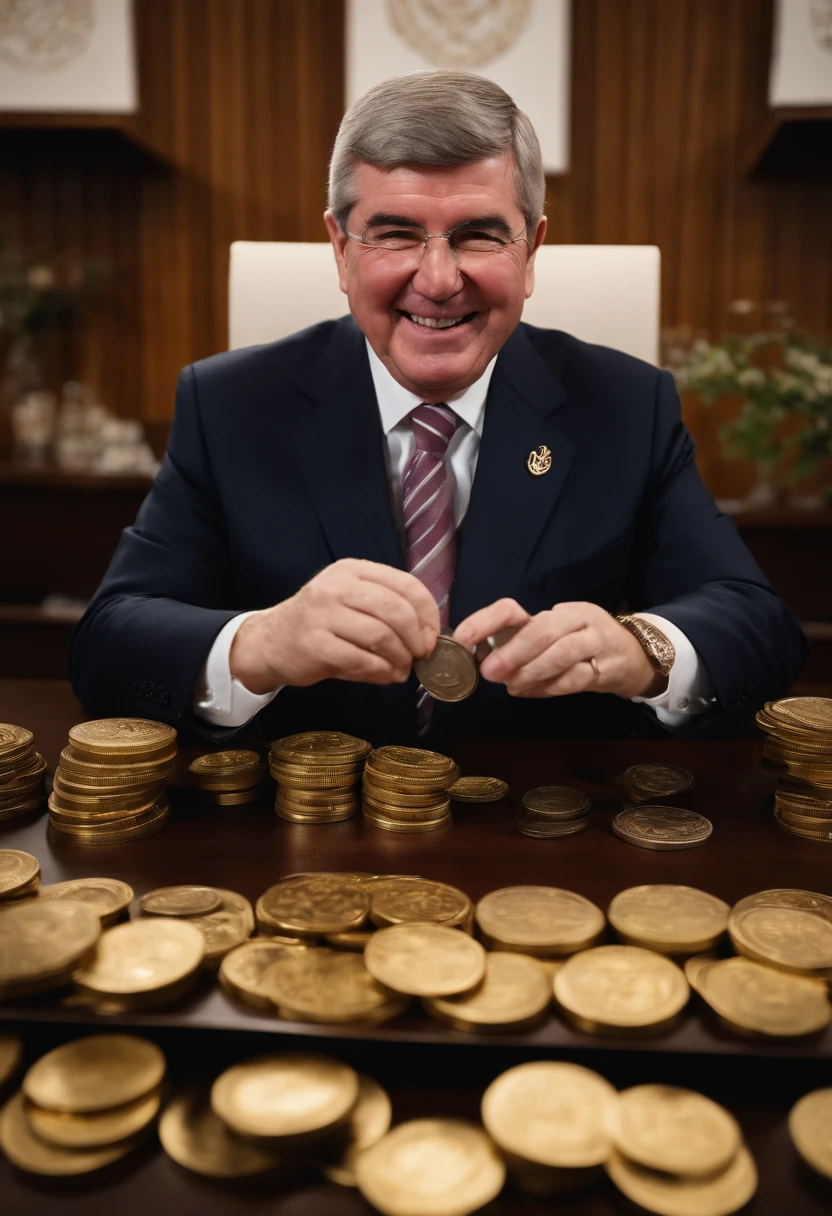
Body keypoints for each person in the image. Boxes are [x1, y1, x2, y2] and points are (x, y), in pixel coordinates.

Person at [70, 71, 805, 744]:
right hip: (296, 835)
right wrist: (261, 643)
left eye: (478, 236)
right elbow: (108, 642)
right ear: (340, 249)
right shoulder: (229, 404)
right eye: (395, 235)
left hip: (545, 835)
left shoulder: (628, 404)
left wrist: (642, 649)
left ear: (531, 249)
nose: (439, 279)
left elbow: (759, 625)